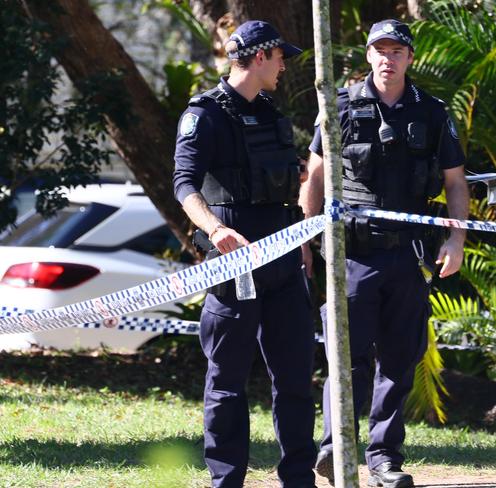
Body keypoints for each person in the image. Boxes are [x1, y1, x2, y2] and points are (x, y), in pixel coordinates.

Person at [299, 19, 469, 488]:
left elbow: (456, 184)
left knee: (398, 360)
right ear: (368, 55)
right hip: (350, 254)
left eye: (396, 51)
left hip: (409, 257)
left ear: (410, 57)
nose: (387, 59)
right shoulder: (339, 106)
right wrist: (307, 244)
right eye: (380, 50)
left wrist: (455, 240)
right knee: (345, 358)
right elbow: (313, 178)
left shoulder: (431, 112)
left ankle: (384, 460)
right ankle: (336, 451)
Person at [173, 20, 317, 488]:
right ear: (260, 57)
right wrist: (215, 229)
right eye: (280, 58)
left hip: (283, 260)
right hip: (234, 264)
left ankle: (299, 478)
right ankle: (226, 480)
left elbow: (282, 183)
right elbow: (184, 185)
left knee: (295, 377)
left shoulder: (274, 113)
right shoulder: (205, 114)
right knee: (228, 381)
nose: (283, 67)